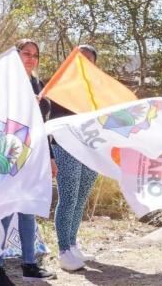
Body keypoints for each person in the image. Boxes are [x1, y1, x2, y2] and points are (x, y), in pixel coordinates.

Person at [0, 39, 56, 285]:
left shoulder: (37, 82)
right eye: (26, 53)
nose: (31, 58)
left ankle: (29, 264)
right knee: (4, 209)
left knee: (28, 210)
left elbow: (42, 126)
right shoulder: (4, 82)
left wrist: (50, 157)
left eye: (35, 54)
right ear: (15, 55)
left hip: (33, 154)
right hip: (7, 149)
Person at [51, 44, 99, 271]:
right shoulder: (59, 85)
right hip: (66, 148)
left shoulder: (96, 89)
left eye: (89, 59)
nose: (84, 63)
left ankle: (72, 243)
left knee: (80, 199)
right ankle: (63, 250)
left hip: (90, 150)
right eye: (80, 58)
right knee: (68, 198)